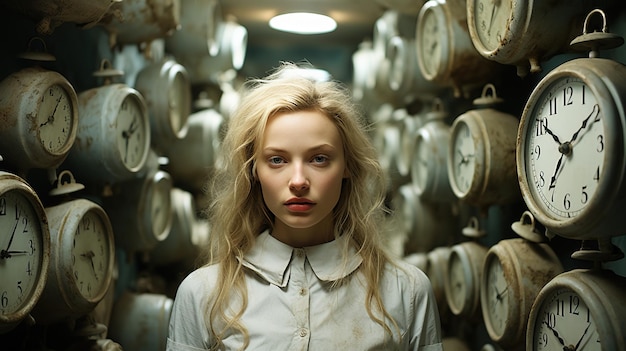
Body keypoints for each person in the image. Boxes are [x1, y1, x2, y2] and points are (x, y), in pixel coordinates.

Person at [166, 62, 443, 351]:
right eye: (277, 160)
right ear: (253, 171)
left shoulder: (406, 291)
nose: (298, 181)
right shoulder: (202, 293)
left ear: (347, 166)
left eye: (319, 159)